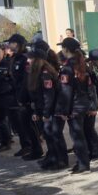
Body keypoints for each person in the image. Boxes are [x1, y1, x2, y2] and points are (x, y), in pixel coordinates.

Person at [56, 38, 98, 173]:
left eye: (62, 48)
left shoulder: (67, 68)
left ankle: (83, 164)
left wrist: (64, 111)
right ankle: (84, 161)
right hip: (84, 104)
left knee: (77, 136)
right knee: (82, 134)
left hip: (74, 106)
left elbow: (66, 92)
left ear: (66, 49)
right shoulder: (82, 64)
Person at [29, 42, 68, 171]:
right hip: (48, 110)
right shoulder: (39, 72)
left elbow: (48, 96)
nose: (28, 60)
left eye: (31, 58)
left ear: (37, 60)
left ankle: (61, 160)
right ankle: (53, 158)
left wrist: (45, 113)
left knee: (55, 135)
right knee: (49, 135)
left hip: (54, 110)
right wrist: (37, 111)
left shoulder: (45, 73)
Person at [8, 34, 42, 160]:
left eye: (11, 43)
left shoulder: (24, 58)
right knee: (22, 125)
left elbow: (26, 80)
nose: (9, 45)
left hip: (25, 97)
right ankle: (29, 147)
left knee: (29, 125)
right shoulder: (15, 58)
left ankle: (36, 150)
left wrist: (22, 98)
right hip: (18, 95)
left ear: (17, 44)